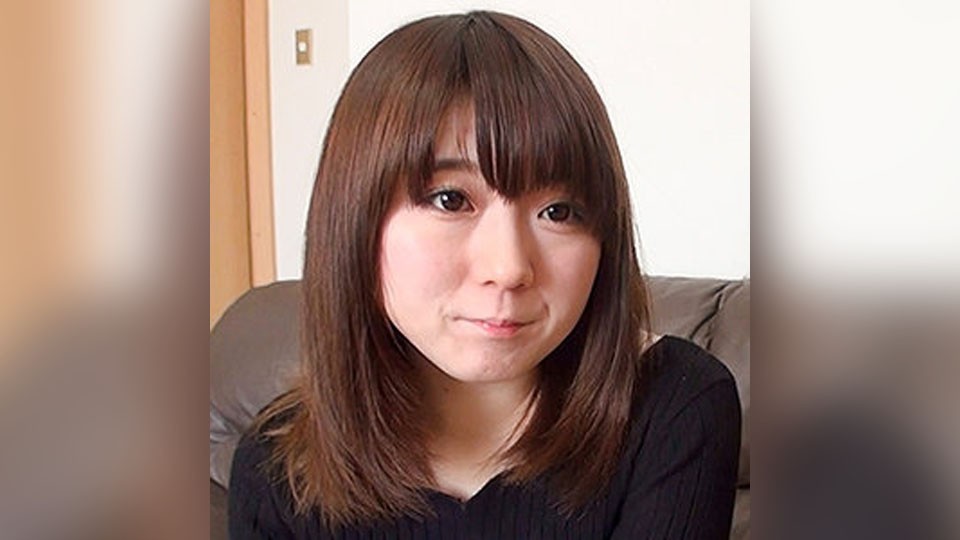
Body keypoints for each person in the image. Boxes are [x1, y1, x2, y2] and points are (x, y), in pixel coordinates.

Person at [228, 10, 740, 539]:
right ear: (354, 220)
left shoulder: (676, 408)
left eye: (558, 211)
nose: (509, 268)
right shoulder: (275, 472)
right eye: (451, 200)